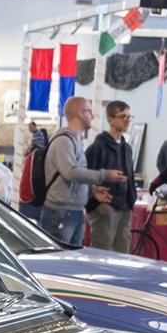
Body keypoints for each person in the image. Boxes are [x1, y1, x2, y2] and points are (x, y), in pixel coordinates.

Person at [44, 97, 124, 246]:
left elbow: (74, 176)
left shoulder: (76, 141)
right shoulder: (63, 141)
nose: (92, 116)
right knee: (59, 261)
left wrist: (92, 191)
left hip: (75, 210)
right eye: (89, 112)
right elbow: (71, 172)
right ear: (80, 113)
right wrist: (104, 175)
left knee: (71, 261)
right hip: (61, 212)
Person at [84, 101, 139, 253]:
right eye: (122, 116)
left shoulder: (126, 148)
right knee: (102, 252)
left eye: (129, 116)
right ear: (110, 119)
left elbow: (130, 176)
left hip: (124, 206)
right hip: (105, 207)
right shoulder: (97, 148)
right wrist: (94, 204)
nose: (127, 120)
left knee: (123, 252)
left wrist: (131, 199)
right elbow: (84, 177)